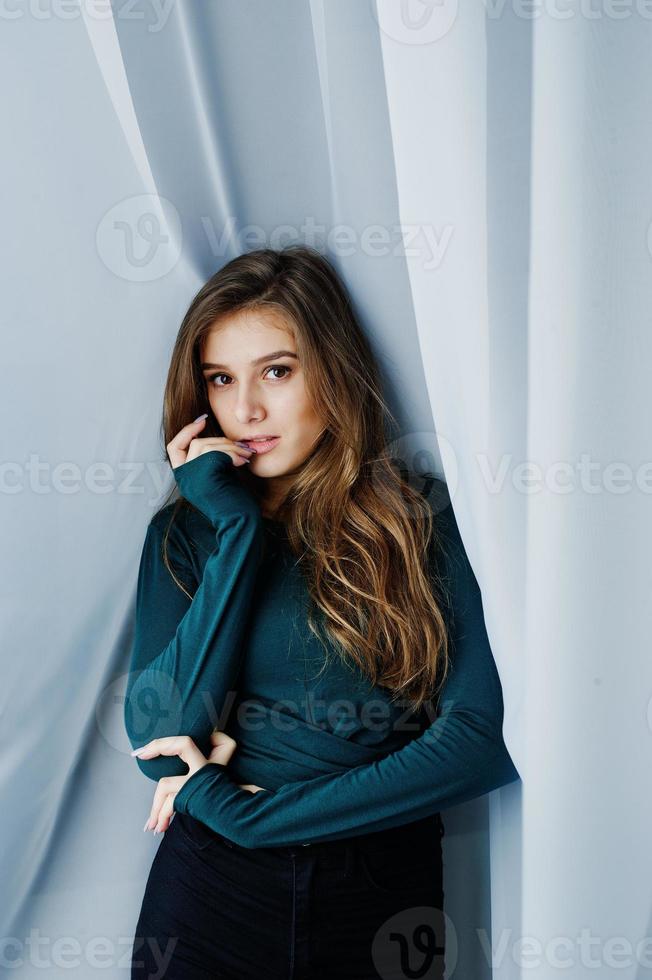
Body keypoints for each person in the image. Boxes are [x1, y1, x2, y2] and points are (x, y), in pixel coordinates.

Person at [125, 245, 520, 979]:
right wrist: (237, 532)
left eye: (276, 371)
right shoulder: (186, 535)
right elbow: (160, 732)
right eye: (221, 379)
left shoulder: (418, 516)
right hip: (211, 895)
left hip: (380, 897)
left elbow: (480, 741)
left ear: (330, 371)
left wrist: (250, 813)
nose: (245, 410)